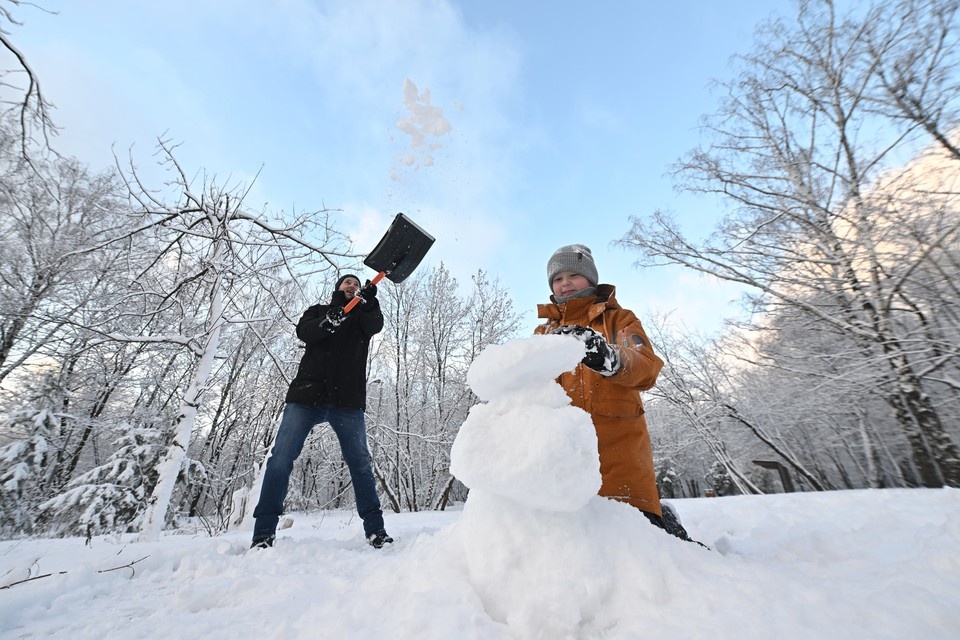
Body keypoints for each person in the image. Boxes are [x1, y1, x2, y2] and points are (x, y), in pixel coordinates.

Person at [535, 244, 696, 543]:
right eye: (557, 278)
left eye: (573, 275)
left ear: (591, 278)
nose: (565, 283)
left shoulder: (618, 320)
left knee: (646, 550)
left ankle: (666, 523)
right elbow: (528, 387)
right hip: (566, 466)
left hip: (622, 464)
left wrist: (609, 357)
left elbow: (646, 366)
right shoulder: (543, 335)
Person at [251, 274, 393, 549]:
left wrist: (370, 305)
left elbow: (375, 324)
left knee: (360, 463)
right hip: (307, 395)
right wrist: (329, 320)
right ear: (338, 287)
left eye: (356, 284)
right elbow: (305, 332)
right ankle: (263, 534)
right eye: (347, 282)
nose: (352, 286)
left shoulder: (361, 318)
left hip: (347, 401)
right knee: (280, 459)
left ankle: (376, 531)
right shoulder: (318, 311)